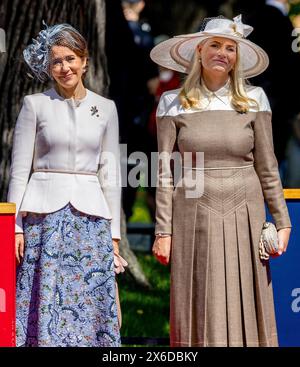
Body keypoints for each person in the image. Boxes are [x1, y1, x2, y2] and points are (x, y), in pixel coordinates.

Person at [151, 15, 292, 347]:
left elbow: (268, 166)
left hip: (246, 214)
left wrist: (282, 221)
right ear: (198, 51)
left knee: (248, 297)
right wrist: (163, 231)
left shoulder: (255, 99)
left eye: (230, 48)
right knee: (197, 298)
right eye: (214, 44)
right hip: (191, 215)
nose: (222, 53)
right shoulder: (172, 103)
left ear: (237, 57)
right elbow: (164, 173)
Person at [7, 23, 126, 347]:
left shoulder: (105, 108)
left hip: (91, 222)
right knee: (42, 295)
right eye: (56, 61)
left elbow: (110, 174)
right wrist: (15, 226)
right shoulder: (35, 105)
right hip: (42, 220)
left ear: (84, 61)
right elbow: (19, 170)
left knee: (88, 302)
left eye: (71, 59)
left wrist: (114, 235)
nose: (64, 67)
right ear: (48, 66)